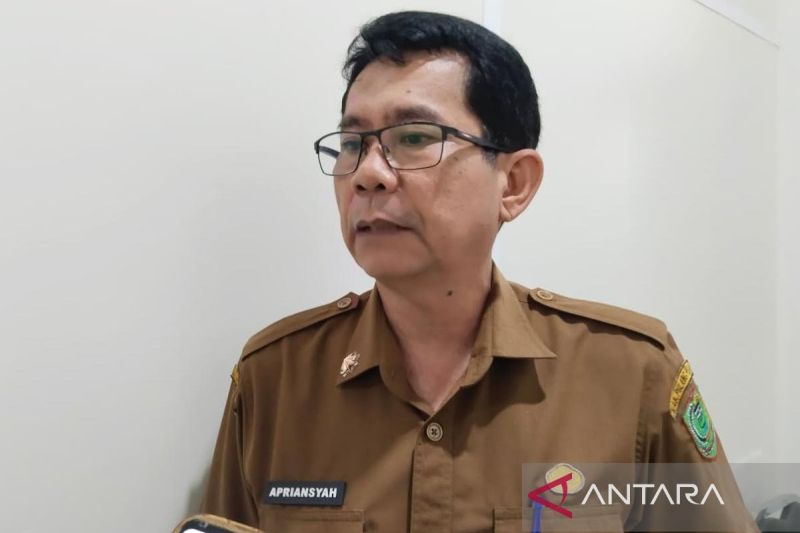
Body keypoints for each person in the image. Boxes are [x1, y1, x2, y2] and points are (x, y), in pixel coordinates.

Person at [201, 11, 758, 532]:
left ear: (513, 184)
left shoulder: (630, 373)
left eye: (414, 138)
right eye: (352, 144)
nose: (368, 174)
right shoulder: (274, 380)